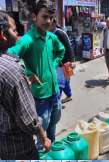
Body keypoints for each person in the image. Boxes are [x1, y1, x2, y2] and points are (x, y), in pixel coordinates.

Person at [7, 0, 65, 147]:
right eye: (44, 17)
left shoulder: (51, 37)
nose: (48, 21)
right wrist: (27, 72)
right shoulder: (28, 39)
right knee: (42, 133)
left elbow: (61, 50)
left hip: (55, 92)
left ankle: (53, 151)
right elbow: (9, 57)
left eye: (51, 18)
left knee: (53, 125)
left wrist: (53, 63)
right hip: (39, 97)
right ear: (34, 17)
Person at [0, 11, 51, 160]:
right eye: (14, 30)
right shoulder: (12, 69)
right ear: (2, 35)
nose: (17, 34)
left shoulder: (51, 37)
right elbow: (28, 119)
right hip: (18, 148)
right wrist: (43, 138)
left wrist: (25, 81)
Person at [49, 17, 74, 104]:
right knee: (64, 81)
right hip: (59, 62)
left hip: (64, 62)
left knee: (60, 81)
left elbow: (68, 47)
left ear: (54, 24)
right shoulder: (52, 33)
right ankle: (69, 95)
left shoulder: (59, 33)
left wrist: (71, 61)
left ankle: (56, 102)